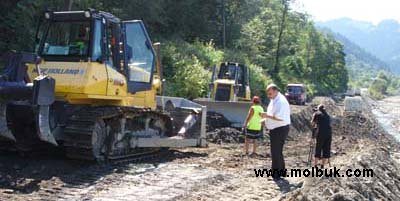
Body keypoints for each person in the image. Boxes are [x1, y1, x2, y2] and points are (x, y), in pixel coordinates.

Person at [262, 84, 291, 180]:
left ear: (275, 91)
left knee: (275, 151)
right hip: (277, 128)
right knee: (277, 151)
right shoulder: (274, 99)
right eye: (268, 94)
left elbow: (279, 118)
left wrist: (266, 116)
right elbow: (272, 114)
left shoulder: (280, 102)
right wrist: (265, 120)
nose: (269, 96)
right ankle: (281, 171)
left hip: (280, 129)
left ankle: (276, 174)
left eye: (270, 93)